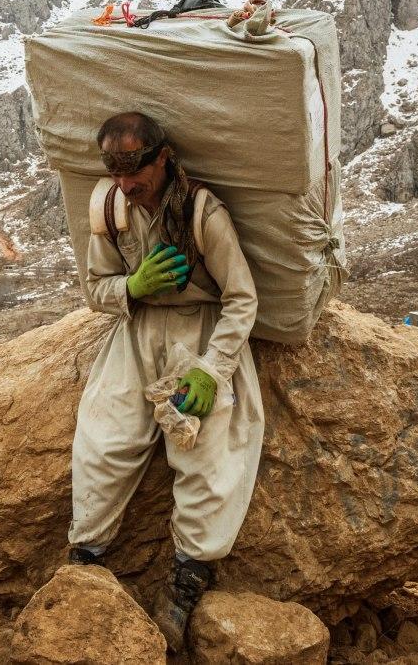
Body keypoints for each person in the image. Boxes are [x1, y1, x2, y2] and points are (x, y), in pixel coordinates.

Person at [66, 112, 264, 652]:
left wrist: (211, 369)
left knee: (207, 451)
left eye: (137, 171)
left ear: (163, 158)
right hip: (136, 333)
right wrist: (132, 285)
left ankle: (186, 584)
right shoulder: (109, 209)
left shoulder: (204, 212)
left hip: (199, 335)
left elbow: (242, 299)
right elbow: (96, 290)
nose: (128, 184)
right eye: (117, 172)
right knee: (102, 441)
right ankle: (84, 559)